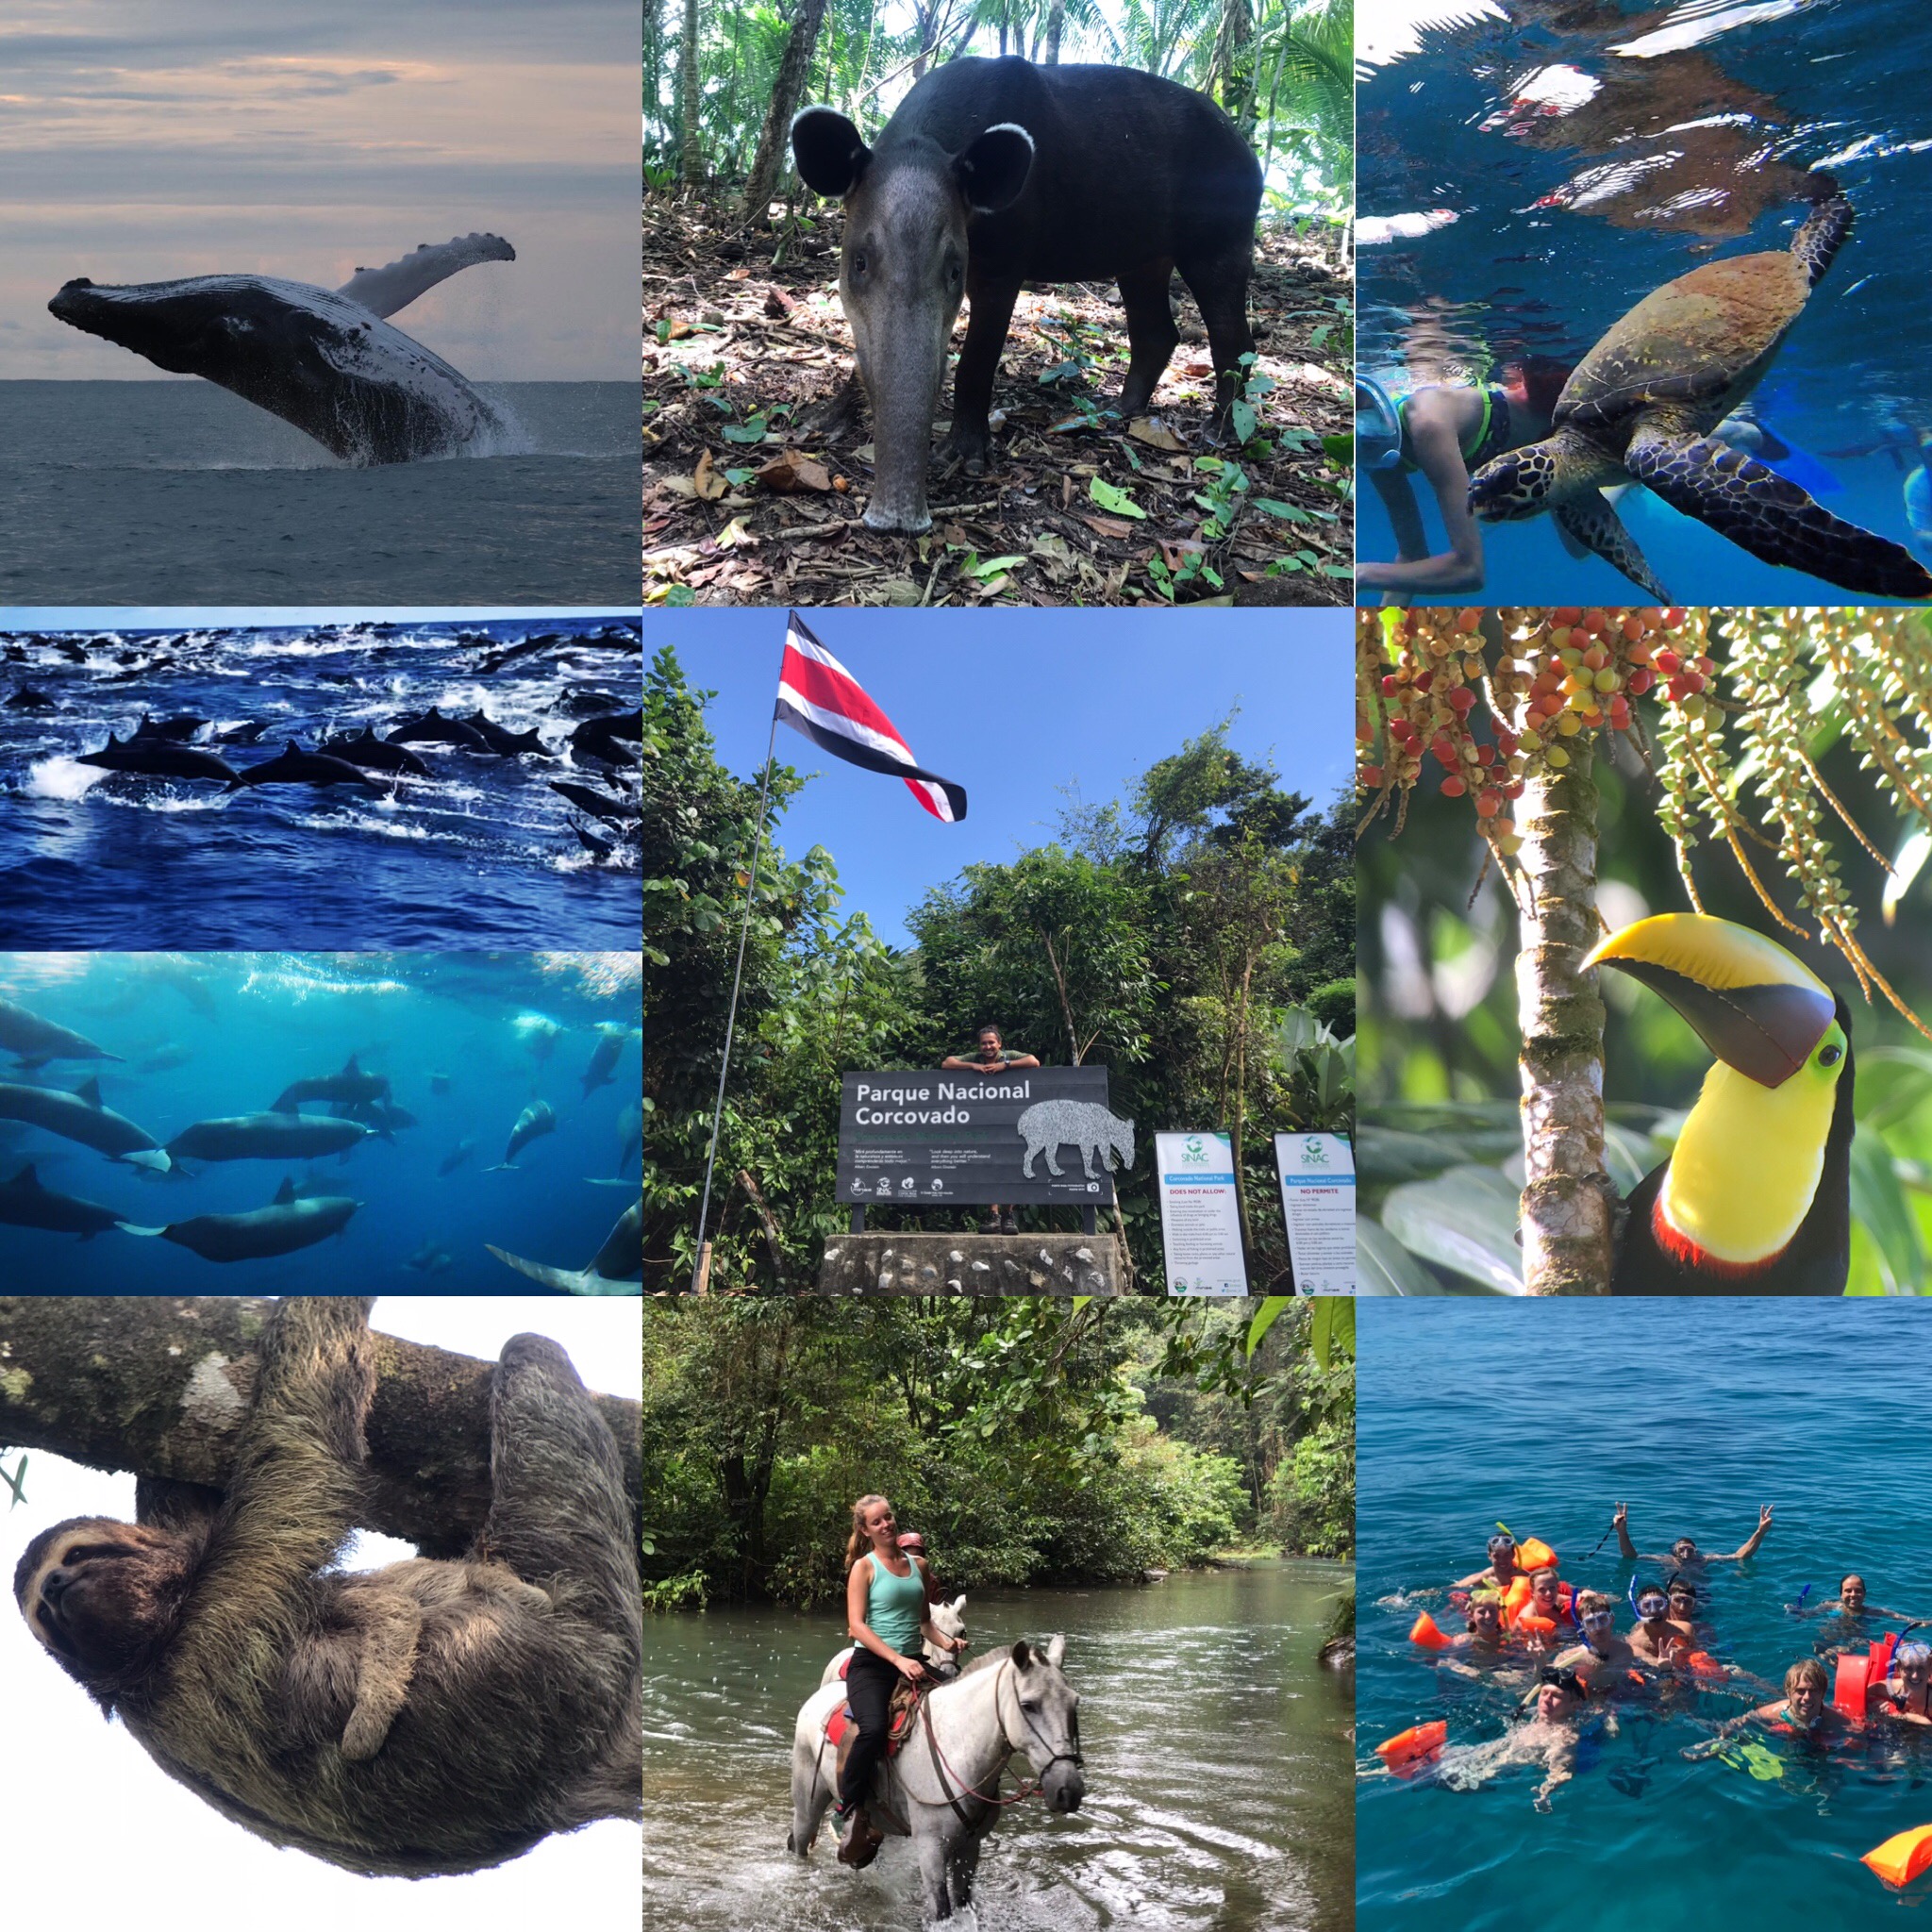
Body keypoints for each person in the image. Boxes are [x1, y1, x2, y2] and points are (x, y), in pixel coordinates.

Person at [1355, 358, 1571, 597]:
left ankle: (1616, 486)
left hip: (1548, 426)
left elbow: (1469, 569)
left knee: (1577, 544)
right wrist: (1387, 627)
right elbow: (1411, 555)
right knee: (1576, 541)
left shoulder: (1428, 425)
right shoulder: (1372, 447)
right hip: (1512, 445)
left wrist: (1362, 575)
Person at [833, 1493, 970, 1869]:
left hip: (914, 1661)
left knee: (961, 1713)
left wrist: (948, 1642)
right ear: (865, 1530)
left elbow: (924, 1623)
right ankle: (849, 1807)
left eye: (889, 1517)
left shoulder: (919, 1565)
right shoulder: (864, 1568)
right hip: (873, 1666)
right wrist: (896, 1658)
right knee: (873, 1730)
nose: (886, 1524)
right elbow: (857, 1625)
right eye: (877, 1522)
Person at [1436, 1667, 1586, 1811]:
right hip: (1484, 1752)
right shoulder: (1536, 1713)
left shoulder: (1564, 1736)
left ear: (1574, 1706)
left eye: (1556, 1696)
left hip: (1489, 1773)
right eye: (1544, 1693)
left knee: (1436, 1776)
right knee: (1440, 1755)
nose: (1546, 1700)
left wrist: (1545, 1792)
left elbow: (1562, 1770)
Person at [940, 1024, 1041, 1235]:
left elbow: (1033, 1061)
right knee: (989, 1165)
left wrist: (1006, 1065)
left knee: (1011, 1165)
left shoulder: (1008, 1055)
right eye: (984, 1043)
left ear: (999, 1044)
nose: (988, 1047)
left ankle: (1008, 1215)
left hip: (1011, 1117)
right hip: (984, 1119)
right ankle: (993, 1215)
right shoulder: (976, 1058)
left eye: (991, 1043)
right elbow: (947, 1063)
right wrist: (973, 1067)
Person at [1684, 1657, 1848, 1759]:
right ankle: (1745, 1675)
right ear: (1790, 1693)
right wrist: (1719, 1741)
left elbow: (1858, 1738)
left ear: (1824, 1693)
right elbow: (1742, 1720)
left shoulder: (1835, 1720)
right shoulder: (1775, 1712)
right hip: (1781, 1719)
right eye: (1800, 1691)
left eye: (1814, 1691)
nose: (1807, 1697)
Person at [1613, 1501, 1773, 1570]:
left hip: (1699, 1597)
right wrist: (1622, 1532)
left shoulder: (1704, 1560)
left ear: (1696, 1551)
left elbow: (1740, 1556)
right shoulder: (1666, 1560)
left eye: (1689, 1549)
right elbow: (1631, 1557)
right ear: (1674, 1551)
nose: (1685, 1553)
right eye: (1681, 1549)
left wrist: (1760, 1532)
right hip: (1672, 1596)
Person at [1554, 1591, 1646, 1698]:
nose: (1598, 1627)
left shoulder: (1628, 1651)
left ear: (1612, 1619)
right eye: (1590, 1622)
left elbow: (1657, 1666)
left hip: (1620, 1696)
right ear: (1582, 1627)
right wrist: (1539, 1662)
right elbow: (1546, 1683)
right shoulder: (1571, 1657)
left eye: (1603, 1619)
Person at [1874, 1641, 1932, 1724]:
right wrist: (1872, 1709)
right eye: (1908, 1668)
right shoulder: (1881, 1688)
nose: (1914, 1676)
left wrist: (1916, 1719)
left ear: (1930, 1668)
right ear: (1898, 1669)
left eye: (1921, 1668)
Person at [1453, 1531, 1526, 1594]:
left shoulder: (1524, 1576)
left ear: (1513, 1555)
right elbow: (1450, 1588)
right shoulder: (1484, 1578)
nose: (1502, 1560)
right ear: (1489, 1556)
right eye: (1496, 1555)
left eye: (1506, 1555)